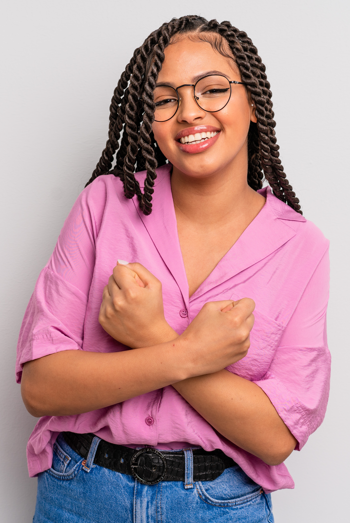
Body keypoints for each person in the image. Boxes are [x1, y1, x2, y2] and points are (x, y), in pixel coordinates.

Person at [17, 15, 331, 523]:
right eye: (166, 99)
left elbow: (275, 437)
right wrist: (187, 352)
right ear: (149, 118)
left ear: (253, 103)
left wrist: (150, 333)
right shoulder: (104, 204)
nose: (189, 112)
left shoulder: (301, 246)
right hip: (81, 494)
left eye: (212, 90)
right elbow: (42, 386)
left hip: (220, 506)